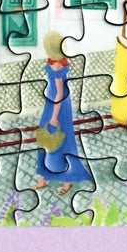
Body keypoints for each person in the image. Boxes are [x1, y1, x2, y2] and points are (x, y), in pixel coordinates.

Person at [32, 32, 91, 193]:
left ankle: (67, 180)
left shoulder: (58, 65)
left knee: (63, 139)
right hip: (51, 102)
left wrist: (54, 116)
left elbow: (59, 93)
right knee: (45, 139)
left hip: (58, 105)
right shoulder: (54, 61)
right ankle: (43, 178)